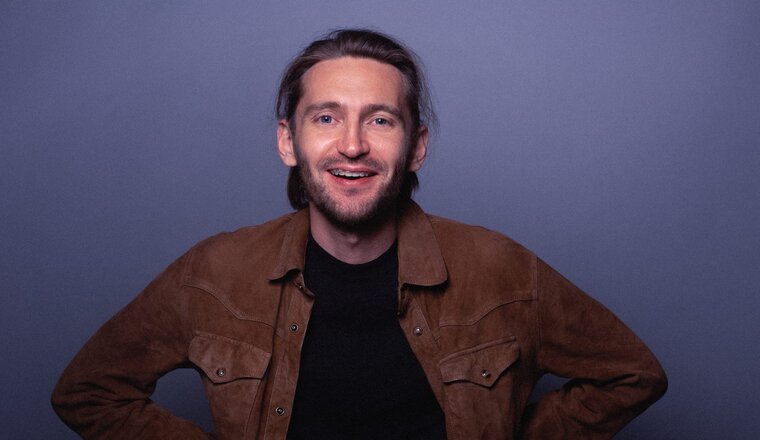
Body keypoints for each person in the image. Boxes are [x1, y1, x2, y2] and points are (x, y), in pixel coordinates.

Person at [52, 29, 667, 439]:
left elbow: (631, 374)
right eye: (326, 117)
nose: (351, 145)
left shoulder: (500, 269)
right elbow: (89, 392)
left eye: (379, 120)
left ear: (416, 146)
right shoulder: (215, 272)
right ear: (288, 141)